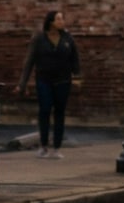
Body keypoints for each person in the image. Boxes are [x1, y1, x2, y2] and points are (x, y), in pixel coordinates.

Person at [19, 11, 79, 159]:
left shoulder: (68, 39)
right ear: (51, 22)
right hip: (44, 80)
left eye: (62, 18)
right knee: (44, 110)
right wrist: (23, 83)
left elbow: (75, 60)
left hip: (63, 81)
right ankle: (43, 145)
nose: (61, 21)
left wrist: (77, 79)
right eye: (58, 19)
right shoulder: (39, 38)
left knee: (59, 112)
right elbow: (29, 61)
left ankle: (57, 147)